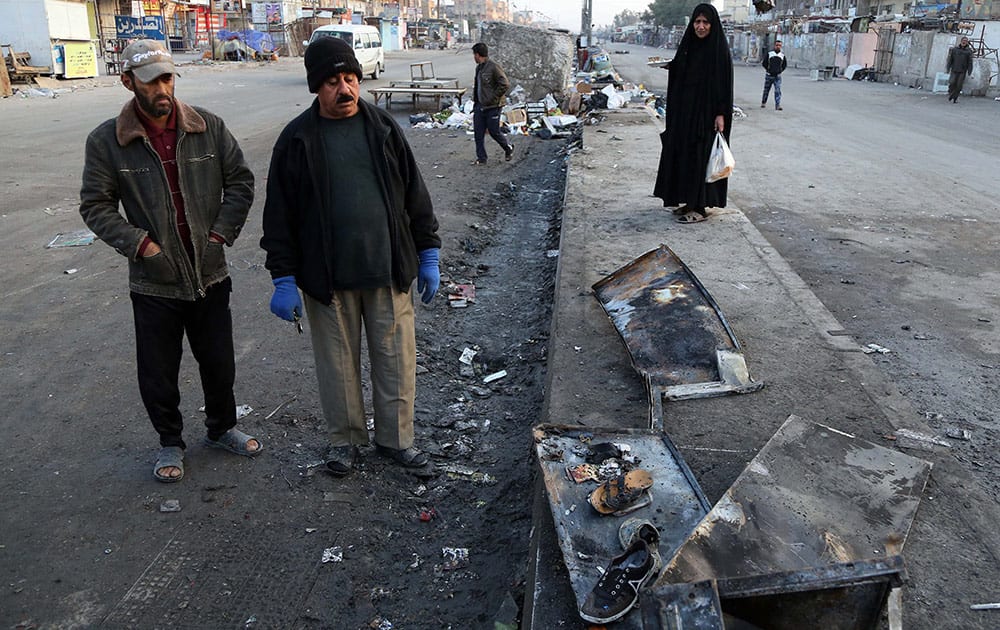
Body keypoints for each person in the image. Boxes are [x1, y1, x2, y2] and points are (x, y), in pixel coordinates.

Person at [79, 39, 259, 483]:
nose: (163, 88)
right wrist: (143, 248)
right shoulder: (107, 142)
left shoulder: (208, 128)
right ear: (128, 83)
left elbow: (240, 182)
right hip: (154, 281)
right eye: (151, 81)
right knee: (159, 372)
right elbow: (95, 206)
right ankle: (169, 443)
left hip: (209, 272)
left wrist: (219, 235)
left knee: (218, 361)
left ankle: (222, 429)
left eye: (167, 77)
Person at [260, 37, 441, 477]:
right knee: (337, 367)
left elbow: (415, 194)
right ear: (315, 87)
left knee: (396, 361)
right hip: (328, 278)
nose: (345, 90)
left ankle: (397, 441)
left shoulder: (383, 129)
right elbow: (279, 216)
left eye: (351, 78)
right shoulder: (296, 140)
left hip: (388, 269)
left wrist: (428, 251)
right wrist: (283, 278)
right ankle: (344, 441)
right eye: (332, 81)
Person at [652, 3, 733, 225]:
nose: (701, 26)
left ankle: (700, 207)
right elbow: (685, 71)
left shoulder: (718, 51)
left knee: (702, 157)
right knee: (685, 154)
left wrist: (720, 114)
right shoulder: (689, 46)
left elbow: (723, 86)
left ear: (713, 24)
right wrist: (672, 67)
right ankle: (689, 200)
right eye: (697, 22)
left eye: (706, 22)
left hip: (707, 116)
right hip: (686, 114)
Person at [471, 42, 514, 165]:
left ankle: (508, 148)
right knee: (478, 133)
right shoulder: (479, 68)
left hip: (493, 106)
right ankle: (481, 158)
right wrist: (476, 103)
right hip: (480, 106)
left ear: (478, 55)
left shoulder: (493, 67)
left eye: (474, 54)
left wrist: (493, 98)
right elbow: (478, 87)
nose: (473, 57)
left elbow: (504, 84)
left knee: (494, 132)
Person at [946, 36, 974, 103]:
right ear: (961, 41)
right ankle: (951, 93)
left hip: (962, 71)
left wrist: (969, 70)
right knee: (952, 82)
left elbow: (970, 62)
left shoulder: (968, 51)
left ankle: (955, 98)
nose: (964, 42)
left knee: (959, 85)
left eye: (966, 41)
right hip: (954, 69)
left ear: (967, 42)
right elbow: (950, 59)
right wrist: (948, 67)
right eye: (963, 40)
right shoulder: (955, 49)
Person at [761, 40, 786, 110]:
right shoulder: (770, 54)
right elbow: (764, 63)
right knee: (766, 90)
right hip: (769, 75)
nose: (778, 47)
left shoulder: (782, 56)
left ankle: (777, 105)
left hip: (777, 76)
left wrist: (780, 71)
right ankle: (763, 102)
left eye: (779, 45)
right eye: (777, 45)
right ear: (774, 46)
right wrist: (768, 70)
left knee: (777, 90)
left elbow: (784, 65)